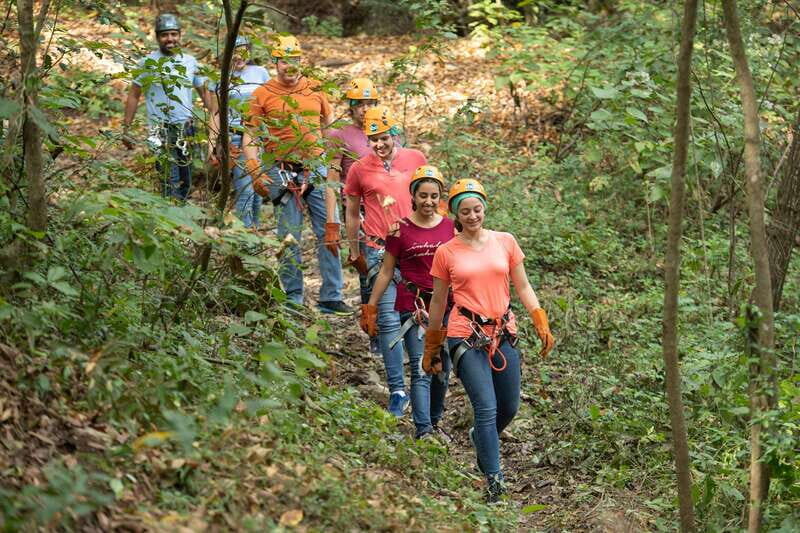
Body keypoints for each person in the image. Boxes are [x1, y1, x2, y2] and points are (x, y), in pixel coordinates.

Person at [423, 178, 555, 502]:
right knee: (486, 406)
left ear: (485, 208)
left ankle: (480, 439)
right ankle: (494, 480)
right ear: (456, 214)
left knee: (508, 407)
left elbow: (522, 285)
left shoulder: (505, 242)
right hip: (465, 334)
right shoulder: (446, 252)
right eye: (465, 211)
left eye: (477, 209)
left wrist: (539, 317)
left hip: (502, 330)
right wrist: (432, 344)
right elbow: (439, 301)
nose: (472, 216)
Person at [241, 35, 351, 315]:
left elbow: (329, 127)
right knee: (288, 234)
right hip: (280, 168)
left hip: (315, 166)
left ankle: (331, 296)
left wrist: (333, 163)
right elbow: (251, 134)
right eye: (283, 61)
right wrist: (254, 168)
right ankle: (292, 296)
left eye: (294, 60)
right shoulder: (262, 94)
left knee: (330, 227)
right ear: (275, 62)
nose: (288, 66)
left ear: (300, 61)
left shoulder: (315, 89)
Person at [344, 105, 427, 416]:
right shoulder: (359, 169)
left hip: (417, 248)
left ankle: (420, 381)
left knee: (416, 315)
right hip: (379, 249)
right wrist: (354, 251)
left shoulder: (415, 159)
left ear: (395, 134)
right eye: (372, 140)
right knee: (388, 318)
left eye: (383, 138)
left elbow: (429, 197)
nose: (378, 145)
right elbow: (353, 213)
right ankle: (397, 389)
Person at [361, 165, 455, 438]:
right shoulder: (399, 230)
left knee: (442, 367)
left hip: (446, 305)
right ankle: (423, 428)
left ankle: (434, 421)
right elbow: (387, 271)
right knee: (420, 364)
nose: (428, 201)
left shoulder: (451, 228)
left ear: (441, 198)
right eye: (423, 195)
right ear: (413, 195)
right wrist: (372, 306)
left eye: (434, 195)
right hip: (413, 305)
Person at [123, 13, 216, 201]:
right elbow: (134, 95)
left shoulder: (190, 61)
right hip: (159, 128)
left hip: (186, 127)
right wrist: (126, 128)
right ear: (157, 37)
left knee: (186, 175)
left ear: (180, 35)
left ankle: (180, 217)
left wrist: (218, 121)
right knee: (167, 176)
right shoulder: (147, 62)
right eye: (165, 35)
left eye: (174, 34)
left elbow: (204, 93)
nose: (170, 39)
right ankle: (170, 221)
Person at [324, 77, 380, 352]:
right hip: (357, 213)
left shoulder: (387, 130)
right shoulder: (340, 135)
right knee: (368, 272)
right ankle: (374, 333)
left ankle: (395, 328)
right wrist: (332, 221)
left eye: (370, 103)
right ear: (351, 106)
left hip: (388, 212)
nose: (365, 108)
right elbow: (332, 180)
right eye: (360, 104)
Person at [210, 35, 270, 228]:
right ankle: (244, 235)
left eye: (243, 50)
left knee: (259, 187)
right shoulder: (220, 77)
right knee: (245, 188)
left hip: (259, 138)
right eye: (234, 50)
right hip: (234, 138)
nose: (239, 55)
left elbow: (271, 106)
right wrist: (211, 144)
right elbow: (215, 113)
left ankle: (255, 229)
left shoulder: (261, 73)